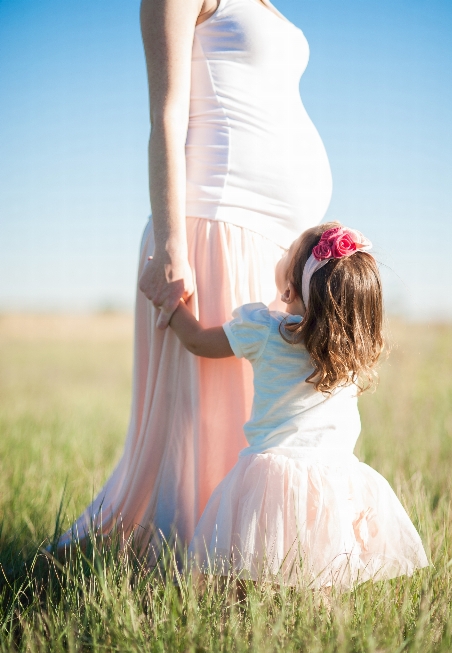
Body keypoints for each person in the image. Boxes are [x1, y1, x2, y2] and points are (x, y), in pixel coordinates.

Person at [56, 0, 332, 556]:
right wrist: (171, 243)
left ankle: (249, 555)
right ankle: (185, 560)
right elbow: (166, 113)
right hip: (214, 222)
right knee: (208, 417)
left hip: (278, 244)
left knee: (267, 415)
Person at [169, 223, 429, 589]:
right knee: (323, 573)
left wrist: (170, 304)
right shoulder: (350, 351)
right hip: (333, 478)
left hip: (271, 478)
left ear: (289, 289)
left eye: (288, 251)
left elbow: (197, 341)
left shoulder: (264, 331)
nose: (283, 252)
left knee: (241, 572)